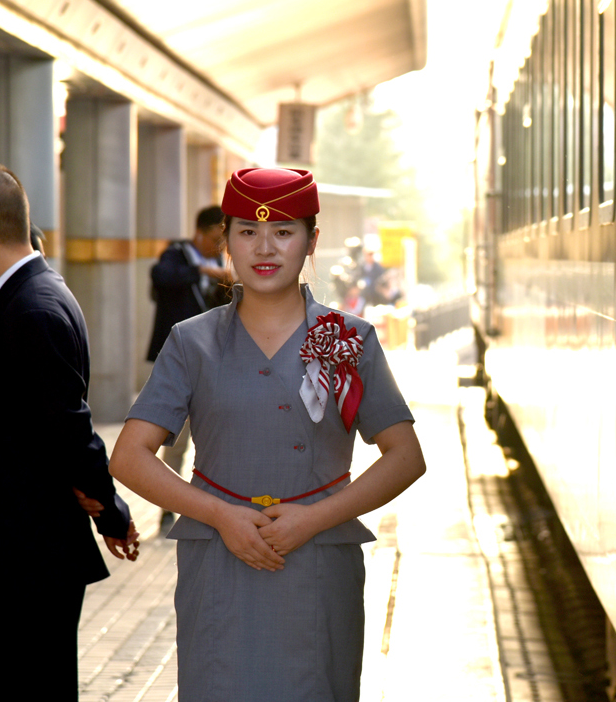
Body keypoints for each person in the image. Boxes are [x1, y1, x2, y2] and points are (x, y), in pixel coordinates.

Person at [110, 167, 426, 702]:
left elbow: (405, 457)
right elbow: (129, 457)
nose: (265, 247)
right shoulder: (192, 342)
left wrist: (313, 519)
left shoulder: (347, 338)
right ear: (225, 241)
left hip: (320, 562)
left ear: (312, 241)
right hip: (218, 563)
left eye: (284, 232)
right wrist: (220, 515)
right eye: (247, 232)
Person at [0, 161, 139, 700]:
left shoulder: (32, 309)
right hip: (5, 558)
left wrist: (110, 510)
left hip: (22, 564)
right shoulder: (26, 297)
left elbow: (70, 429)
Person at [147, 205, 231, 489]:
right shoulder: (176, 255)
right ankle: (167, 501)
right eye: (215, 239)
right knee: (174, 434)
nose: (220, 246)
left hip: (215, 359)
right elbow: (161, 277)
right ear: (199, 233)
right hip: (179, 358)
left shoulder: (223, 263)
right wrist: (202, 270)